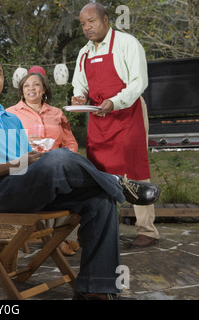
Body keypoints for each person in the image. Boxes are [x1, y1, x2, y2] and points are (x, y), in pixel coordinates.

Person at [0, 54, 160, 300]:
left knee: (100, 201)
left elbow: (23, 163)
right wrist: (14, 164)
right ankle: (117, 183)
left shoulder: (10, 119)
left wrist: (33, 160)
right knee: (60, 157)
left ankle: (94, 290)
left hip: (24, 186)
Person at [72, 3, 159, 248]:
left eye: (92, 21)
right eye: (83, 24)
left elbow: (138, 82)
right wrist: (79, 97)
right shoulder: (84, 52)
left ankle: (147, 230)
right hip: (99, 118)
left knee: (135, 166)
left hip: (127, 111)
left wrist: (115, 101)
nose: (87, 27)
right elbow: (80, 85)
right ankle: (103, 226)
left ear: (106, 19)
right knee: (98, 171)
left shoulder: (127, 43)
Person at [7, 71, 79, 256]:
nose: (31, 88)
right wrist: (23, 140)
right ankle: (55, 240)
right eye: (26, 85)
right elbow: (4, 145)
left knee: (74, 184)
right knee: (53, 182)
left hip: (58, 163)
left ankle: (66, 236)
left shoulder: (57, 114)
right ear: (21, 92)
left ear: (44, 89)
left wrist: (68, 156)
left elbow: (70, 141)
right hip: (28, 165)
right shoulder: (10, 115)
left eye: (36, 84)